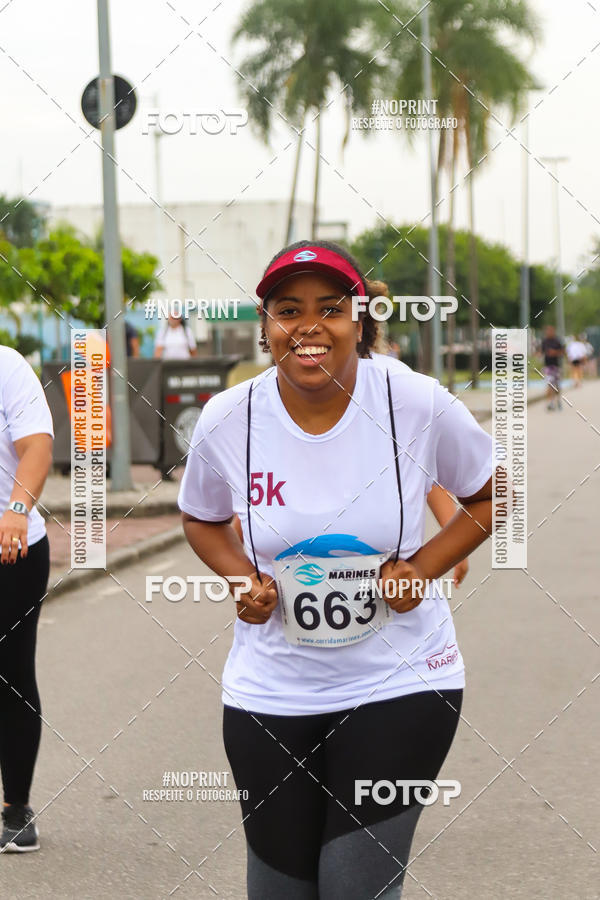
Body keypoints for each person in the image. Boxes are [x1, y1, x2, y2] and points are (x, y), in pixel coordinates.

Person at [179, 240, 493, 898]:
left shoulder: (412, 400)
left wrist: (424, 568)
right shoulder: (227, 418)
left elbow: (489, 495)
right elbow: (202, 518)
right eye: (288, 310)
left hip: (400, 682)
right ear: (266, 325)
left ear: (360, 319)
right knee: (278, 891)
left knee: (355, 887)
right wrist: (244, 581)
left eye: (331, 308)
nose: (309, 326)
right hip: (272, 691)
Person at [0, 346, 53, 852]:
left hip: (10, 549)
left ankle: (16, 808)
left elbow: (37, 446)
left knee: (10, 675)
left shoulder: (8, 367)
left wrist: (17, 508)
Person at [540, 324, 565, 410]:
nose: (549, 332)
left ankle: (558, 400)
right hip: (547, 367)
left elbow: (563, 352)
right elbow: (541, 352)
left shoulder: (557, 341)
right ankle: (550, 402)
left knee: (557, 386)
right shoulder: (544, 341)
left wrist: (555, 352)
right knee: (549, 384)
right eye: (547, 331)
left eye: (551, 331)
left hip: (556, 366)